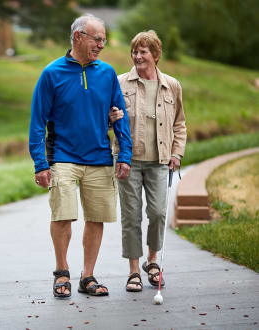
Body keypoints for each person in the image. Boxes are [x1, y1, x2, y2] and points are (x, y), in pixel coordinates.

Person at [29, 14, 132, 298]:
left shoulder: (107, 73)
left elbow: (119, 115)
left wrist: (125, 154)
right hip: (62, 156)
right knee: (63, 215)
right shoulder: (52, 73)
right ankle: (61, 272)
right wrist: (40, 163)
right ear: (78, 37)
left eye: (104, 40)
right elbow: (37, 122)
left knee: (96, 217)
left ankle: (88, 276)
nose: (101, 45)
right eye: (97, 39)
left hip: (99, 156)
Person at [110, 30, 187, 292]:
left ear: (156, 55)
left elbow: (180, 123)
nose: (137, 56)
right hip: (128, 161)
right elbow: (106, 120)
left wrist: (177, 153)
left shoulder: (172, 85)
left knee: (157, 212)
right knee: (131, 216)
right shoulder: (120, 84)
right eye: (134, 51)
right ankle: (134, 271)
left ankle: (152, 261)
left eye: (143, 52)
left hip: (160, 161)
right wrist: (109, 119)